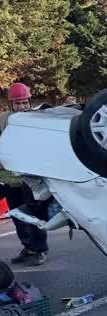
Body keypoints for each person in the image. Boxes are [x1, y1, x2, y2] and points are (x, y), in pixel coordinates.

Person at [0, 83, 48, 266]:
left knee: (35, 216)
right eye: (17, 103)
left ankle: (41, 250)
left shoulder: (37, 119)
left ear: (29, 102)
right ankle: (28, 248)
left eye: (24, 103)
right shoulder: (4, 120)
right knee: (18, 216)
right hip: (10, 178)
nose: (22, 106)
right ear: (11, 104)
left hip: (31, 179)